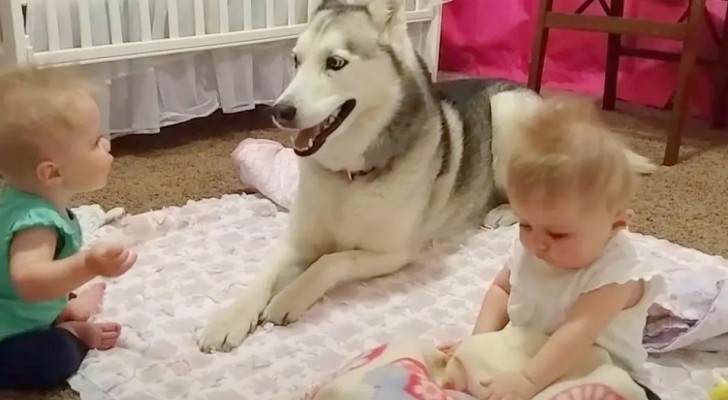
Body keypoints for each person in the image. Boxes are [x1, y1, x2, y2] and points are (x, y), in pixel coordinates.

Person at [471, 97, 663, 400]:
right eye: (524, 224)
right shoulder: (535, 243)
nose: (537, 242)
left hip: (601, 373)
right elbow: (502, 290)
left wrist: (528, 380)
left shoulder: (615, 273)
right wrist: (479, 345)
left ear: (616, 224)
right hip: (530, 356)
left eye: (558, 234)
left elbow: (579, 332)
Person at [0, 66, 137, 390]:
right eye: (95, 142)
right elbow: (29, 281)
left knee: (59, 278)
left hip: (15, 309)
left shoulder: (19, 199)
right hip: (9, 337)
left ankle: (64, 309)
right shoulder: (36, 221)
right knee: (53, 358)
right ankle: (72, 331)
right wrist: (88, 264)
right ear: (52, 173)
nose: (107, 145)